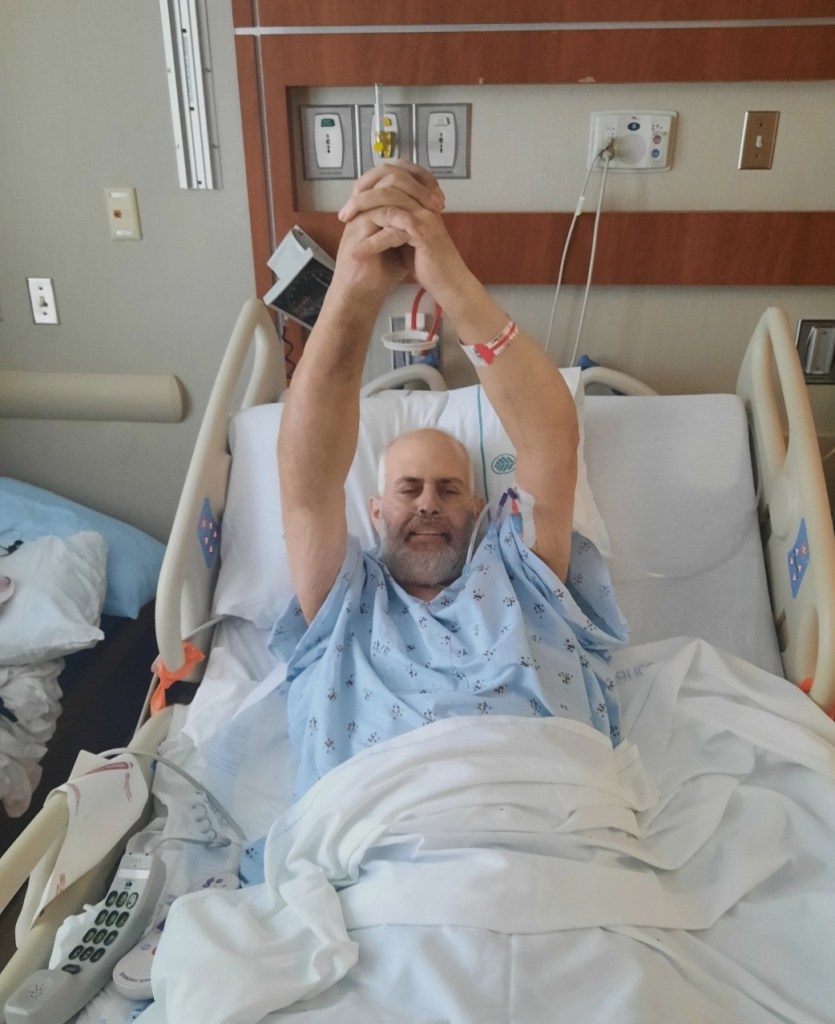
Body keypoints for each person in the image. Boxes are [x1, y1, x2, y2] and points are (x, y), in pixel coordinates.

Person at [270, 161, 628, 797]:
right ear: (374, 511)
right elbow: (306, 483)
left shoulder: (523, 574)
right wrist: (353, 290)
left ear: (481, 507)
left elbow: (550, 441)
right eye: (408, 489)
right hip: (374, 827)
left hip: (544, 812)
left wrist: (451, 281)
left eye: (449, 489)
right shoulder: (344, 599)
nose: (428, 504)